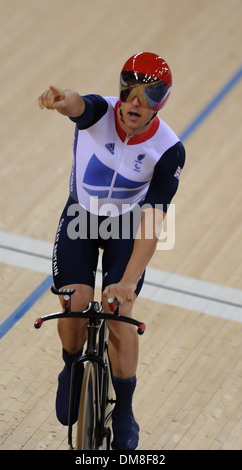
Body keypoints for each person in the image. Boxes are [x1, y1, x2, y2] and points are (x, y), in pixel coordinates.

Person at [38, 52, 185, 450]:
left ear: (162, 101)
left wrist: (128, 281)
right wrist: (60, 99)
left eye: (149, 93)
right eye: (129, 89)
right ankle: (71, 366)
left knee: (119, 310)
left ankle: (125, 409)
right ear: (120, 89)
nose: (135, 102)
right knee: (76, 301)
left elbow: (152, 222)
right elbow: (77, 103)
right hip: (80, 218)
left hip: (126, 228)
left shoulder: (168, 149)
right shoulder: (100, 111)